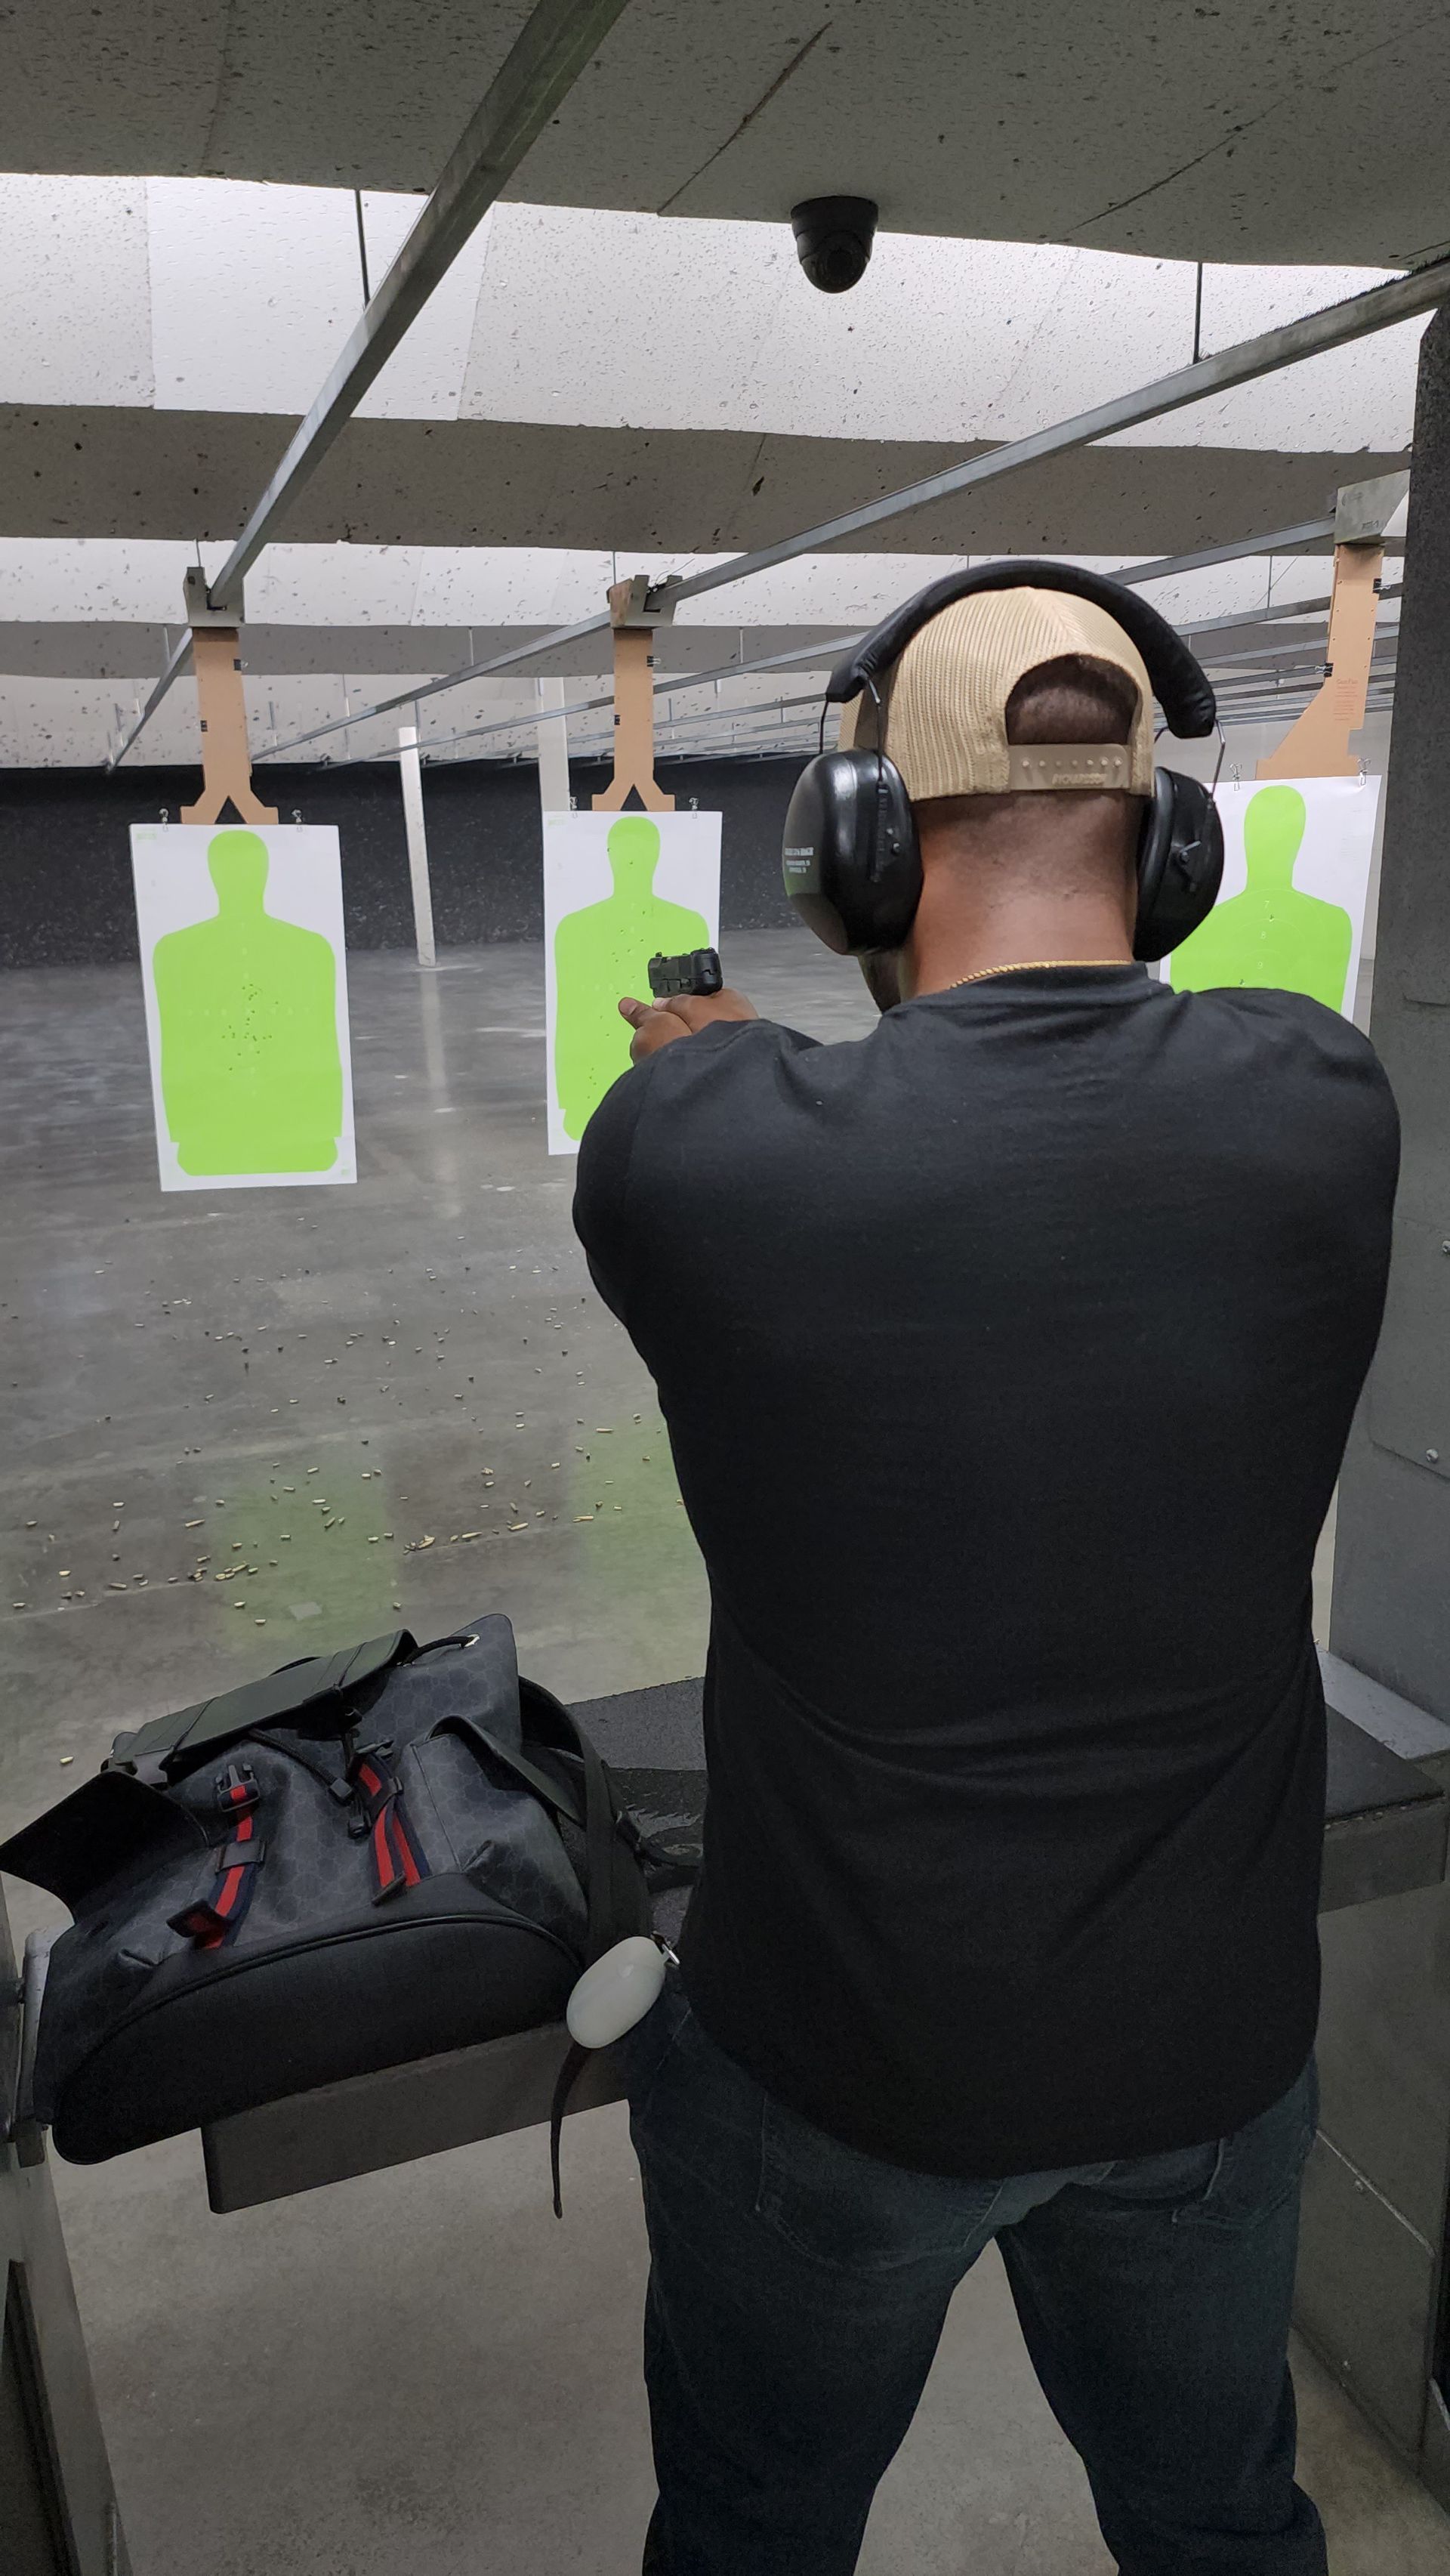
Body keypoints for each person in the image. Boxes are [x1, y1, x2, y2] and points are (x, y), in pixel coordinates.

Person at [572, 582, 1398, 2576]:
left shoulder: (694, 1145)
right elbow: (1051, 1151)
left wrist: (734, 1063)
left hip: (838, 2063)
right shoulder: (1327, 1105)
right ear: (1173, 850)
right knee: (1218, 2525)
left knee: (757, 2531)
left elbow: (847, 1148)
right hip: (1208, 2051)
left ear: (855, 852)